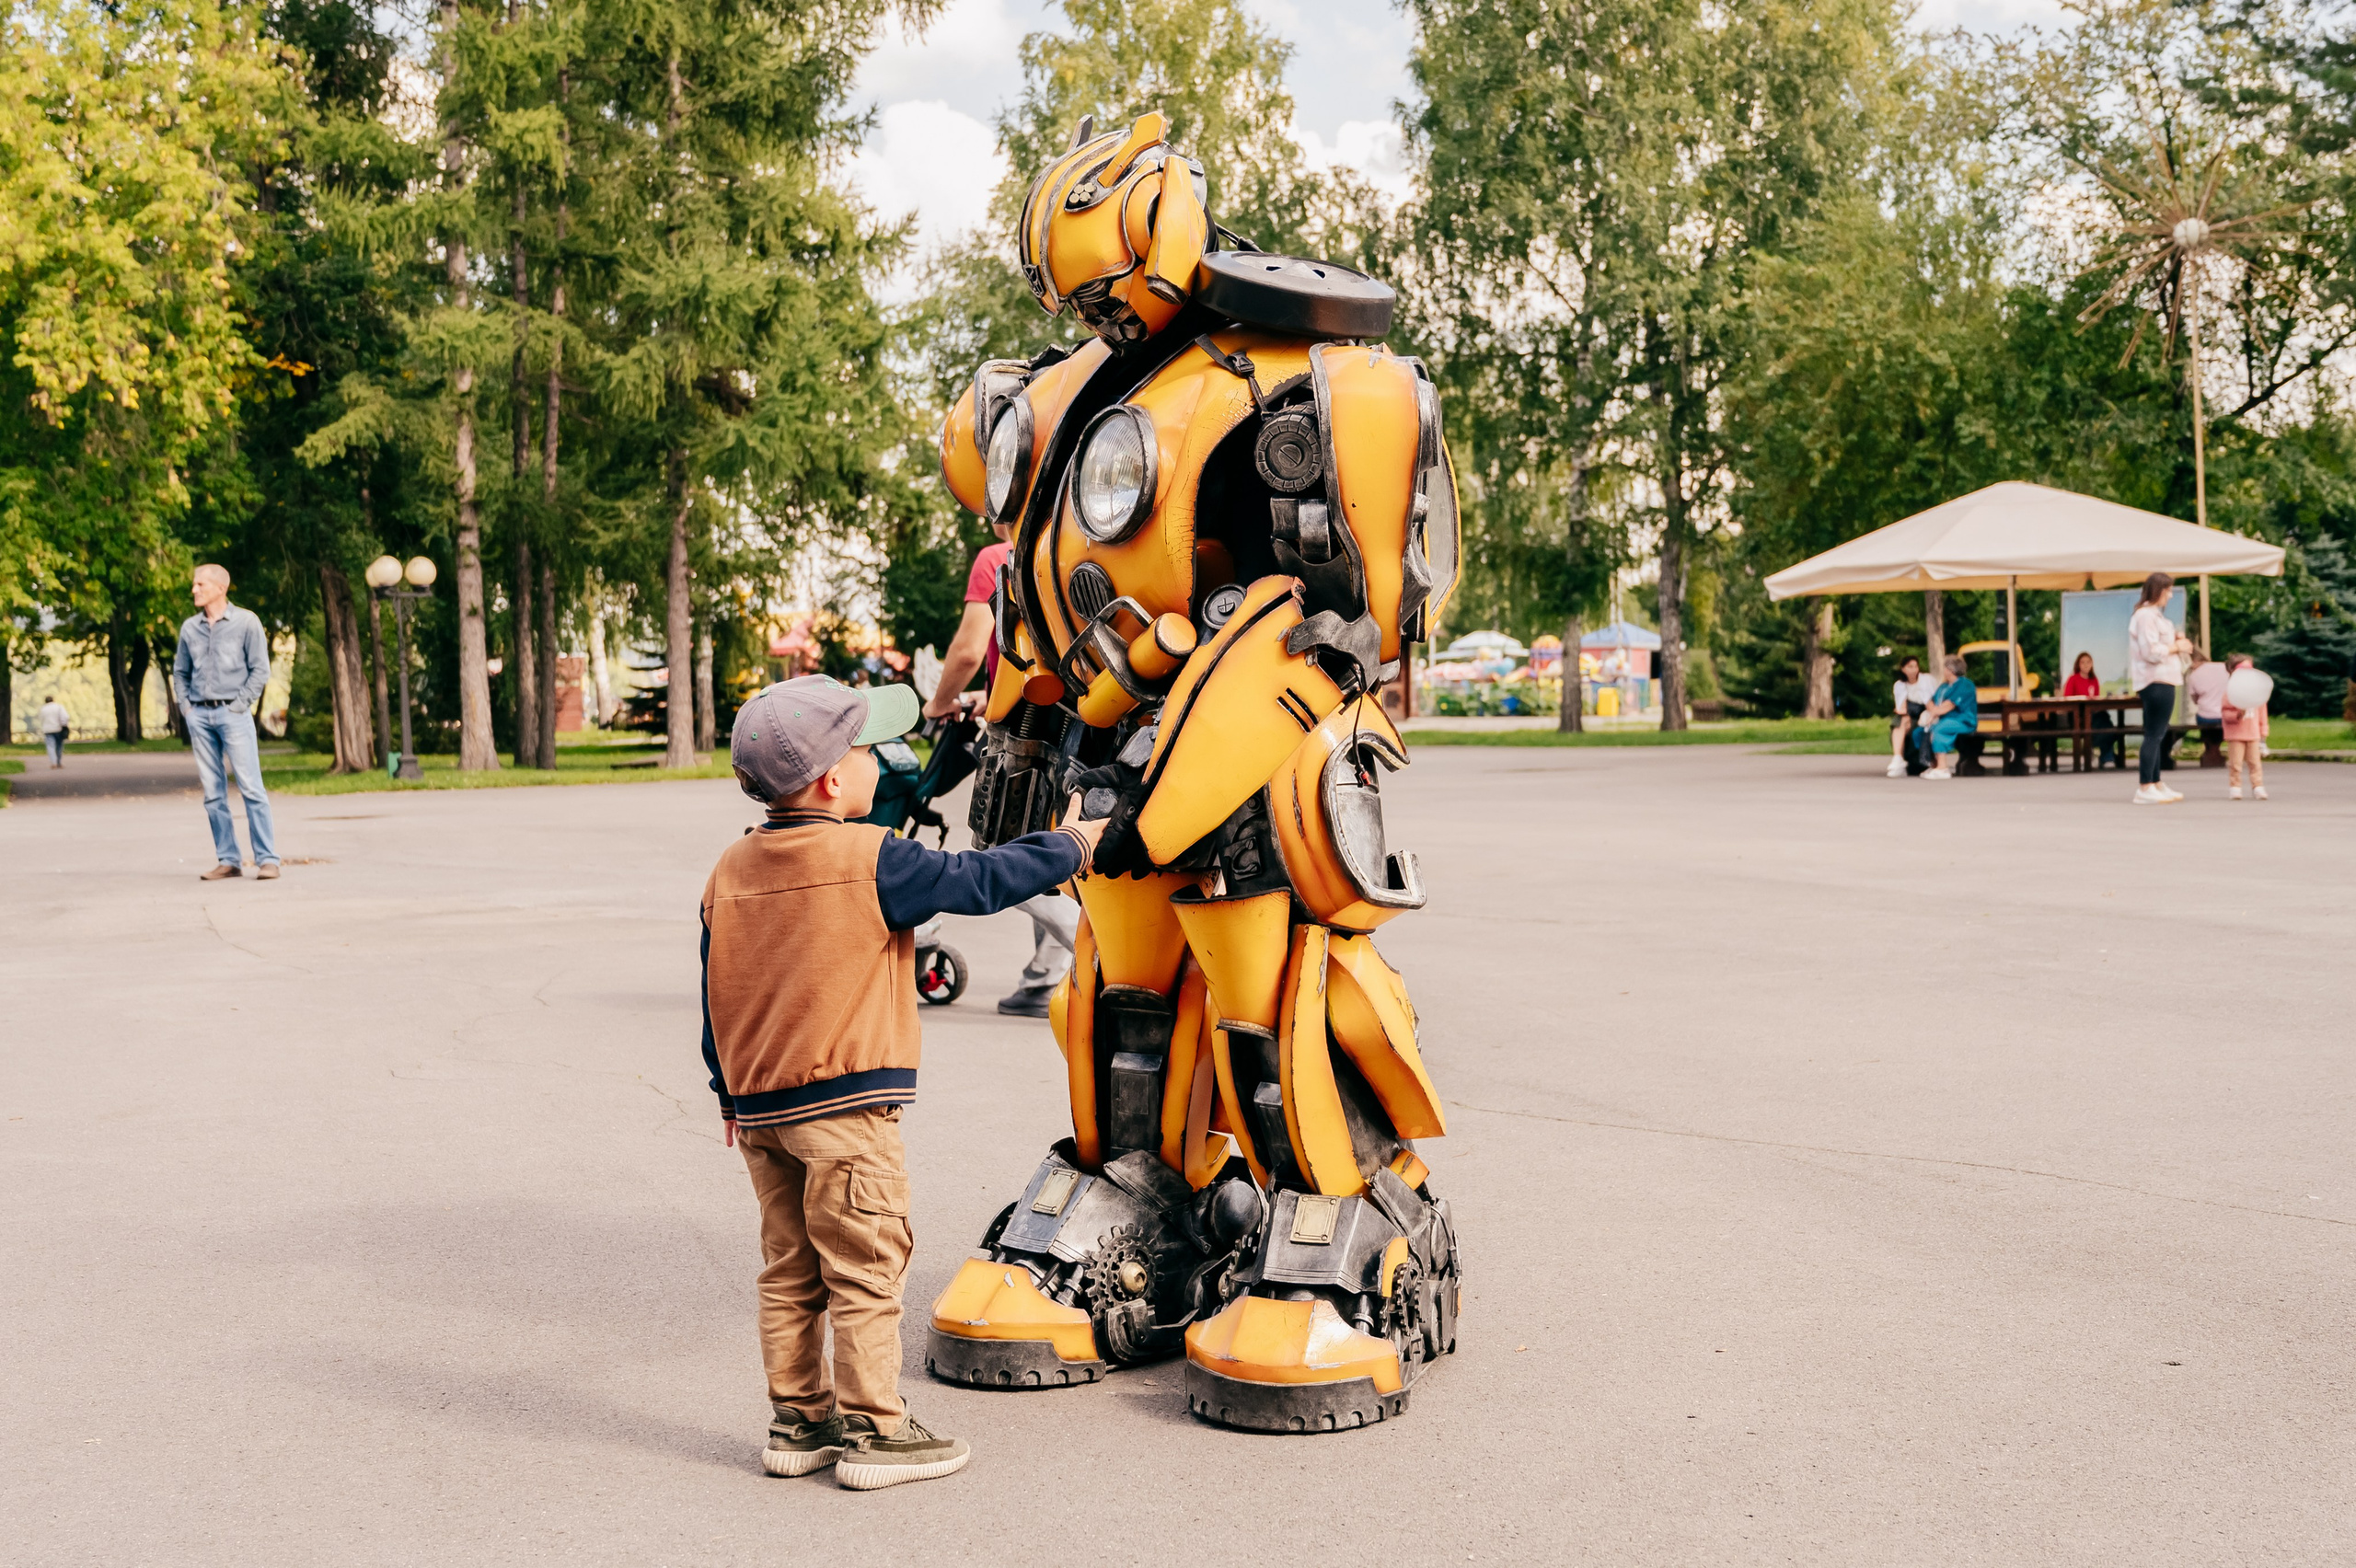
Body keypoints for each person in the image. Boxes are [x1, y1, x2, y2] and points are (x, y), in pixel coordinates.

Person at [702, 674, 1105, 1491]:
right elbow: (979, 880)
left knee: (790, 1267)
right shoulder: (870, 857)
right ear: (830, 780)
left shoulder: (731, 867)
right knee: (866, 1268)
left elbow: (716, 983)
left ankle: (799, 1419)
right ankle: (878, 1433)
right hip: (847, 1111)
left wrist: (725, 1092)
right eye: (865, 751)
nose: (880, 763)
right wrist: (1074, 845)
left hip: (762, 1112)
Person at [922, 521, 1077, 1018]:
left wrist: (940, 702)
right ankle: (1044, 980)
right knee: (1058, 851)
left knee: (1002, 854)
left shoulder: (999, 557)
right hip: (1082, 721)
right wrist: (980, 699)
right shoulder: (1075, 547)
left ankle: (1100, 955)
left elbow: (969, 649)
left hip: (1024, 732)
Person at [171, 564, 282, 879]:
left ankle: (268, 860)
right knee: (213, 793)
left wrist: (239, 705)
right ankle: (228, 860)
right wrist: (188, 710)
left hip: (233, 714)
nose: (194, 589)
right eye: (194, 584)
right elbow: (180, 672)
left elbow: (260, 670)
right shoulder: (190, 628)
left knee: (251, 787)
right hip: (199, 716)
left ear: (221, 588)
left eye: (200, 584)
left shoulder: (246, 622)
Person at [2127, 571, 2193, 805]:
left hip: (2162, 679)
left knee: (2157, 732)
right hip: (2156, 680)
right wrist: (2176, 646)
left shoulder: (2153, 616)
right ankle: (2145, 786)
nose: (2171, 595)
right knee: (2154, 734)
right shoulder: (2146, 616)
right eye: (2168, 590)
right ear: (2158, 591)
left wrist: (2174, 641)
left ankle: (2155, 782)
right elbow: (2151, 652)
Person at [1917, 654, 1978, 778]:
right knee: (1919, 732)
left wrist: (1934, 713)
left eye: (1945, 668)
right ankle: (1933, 765)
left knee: (1940, 728)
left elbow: (1949, 705)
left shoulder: (1965, 684)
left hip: (1963, 720)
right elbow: (1932, 701)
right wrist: (1932, 710)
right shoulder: (1944, 686)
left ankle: (1943, 767)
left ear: (1951, 670)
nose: (1943, 671)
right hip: (1944, 719)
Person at [2220, 653, 2269, 801]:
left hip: (2253, 733)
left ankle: (2258, 786)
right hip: (2235, 735)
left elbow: (2262, 715)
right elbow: (2225, 714)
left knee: (2255, 762)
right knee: (2235, 763)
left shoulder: (2257, 694)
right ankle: (2235, 787)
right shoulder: (2229, 693)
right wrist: (2238, 714)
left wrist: (2263, 733)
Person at [2062, 651, 2121, 769]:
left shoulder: (2094, 680)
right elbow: (2067, 699)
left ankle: (2106, 756)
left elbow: (2096, 699)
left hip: (2094, 714)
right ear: (2078, 664)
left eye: (2088, 662)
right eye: (2083, 662)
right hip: (2079, 717)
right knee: (2104, 723)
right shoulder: (2073, 679)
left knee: (2105, 721)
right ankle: (2106, 756)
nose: (2085, 665)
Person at [1886, 656, 1936, 778]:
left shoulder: (1926, 680)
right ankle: (1898, 758)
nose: (1914, 670)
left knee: (1915, 723)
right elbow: (1901, 707)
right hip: (1911, 715)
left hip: (1927, 713)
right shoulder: (1899, 685)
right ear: (1903, 669)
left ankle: (1929, 762)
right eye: (1910, 667)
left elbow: (1931, 703)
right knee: (1899, 720)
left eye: (1915, 666)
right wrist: (1905, 715)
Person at [2185, 647, 2229, 761]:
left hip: (2206, 717)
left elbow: (2195, 700)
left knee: (2201, 716)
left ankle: (2210, 749)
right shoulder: (2224, 667)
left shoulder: (2194, 676)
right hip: (2227, 714)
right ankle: (2216, 749)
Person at [36, 695, 69, 769]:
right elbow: (65, 717)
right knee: (59, 746)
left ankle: (53, 763)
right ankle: (59, 762)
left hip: (48, 730)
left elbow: (41, 719)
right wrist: (64, 725)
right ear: (53, 700)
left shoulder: (43, 709)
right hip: (58, 729)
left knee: (50, 747)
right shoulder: (59, 707)